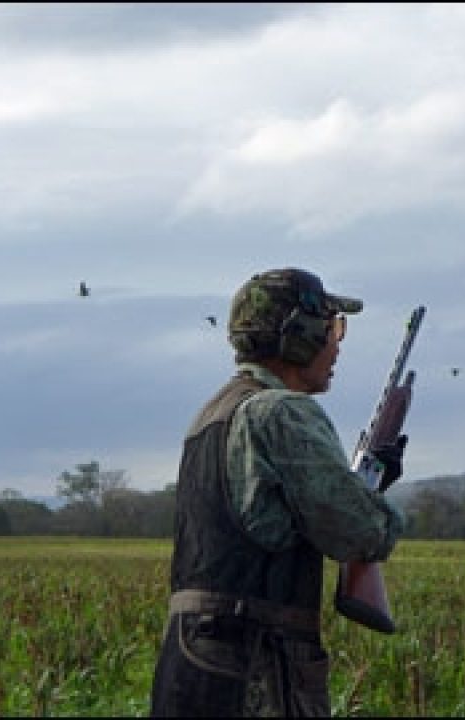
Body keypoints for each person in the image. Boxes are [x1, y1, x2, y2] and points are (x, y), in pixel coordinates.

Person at [150, 268, 406, 717]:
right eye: (332, 327)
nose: (337, 342)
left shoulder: (211, 415)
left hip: (191, 660)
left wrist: (368, 477)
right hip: (255, 666)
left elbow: (267, 517)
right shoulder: (282, 411)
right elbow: (360, 533)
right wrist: (376, 503)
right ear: (299, 336)